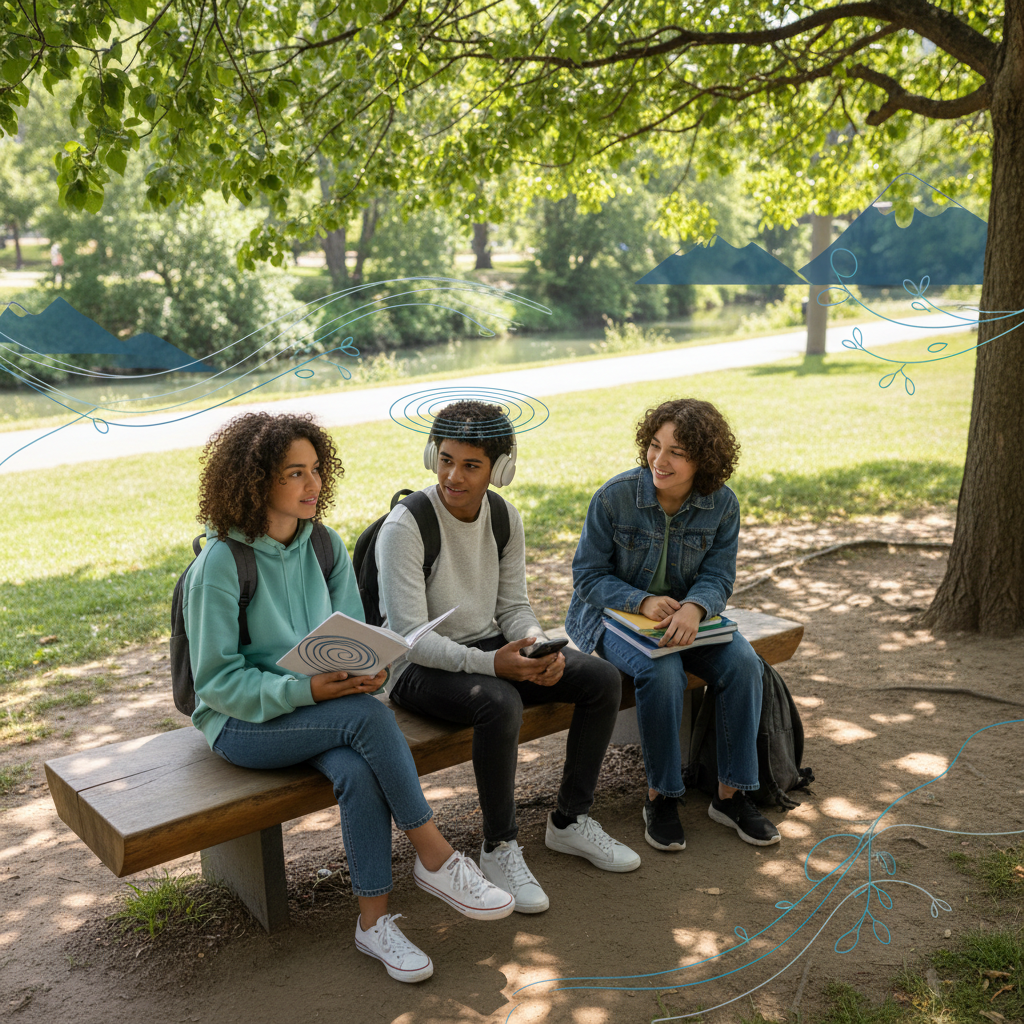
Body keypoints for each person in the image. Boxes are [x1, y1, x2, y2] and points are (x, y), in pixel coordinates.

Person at [182, 411, 514, 984]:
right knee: (364, 721)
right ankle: (434, 854)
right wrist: (309, 689)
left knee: (359, 768)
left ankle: (373, 924)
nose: (313, 485)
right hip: (242, 722)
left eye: (316, 470)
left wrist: (372, 674)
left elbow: (364, 645)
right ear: (257, 481)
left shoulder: (326, 547)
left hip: (323, 710)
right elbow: (215, 682)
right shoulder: (220, 564)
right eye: (294, 473)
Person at [376, 401, 641, 915]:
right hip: (415, 668)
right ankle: (498, 846)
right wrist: (493, 664)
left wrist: (535, 645)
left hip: (484, 650)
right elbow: (409, 637)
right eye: (446, 459)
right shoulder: (405, 527)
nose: (453, 475)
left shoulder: (503, 516)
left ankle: (569, 821)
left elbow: (513, 606)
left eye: (471, 465)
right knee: (498, 702)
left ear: (499, 469)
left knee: (601, 679)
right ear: (432, 453)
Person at [565, 398, 782, 852]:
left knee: (744, 663)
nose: (659, 461)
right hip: (612, 621)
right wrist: (640, 600)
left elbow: (719, 574)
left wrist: (696, 607)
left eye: (677, 452)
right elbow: (587, 576)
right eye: (655, 446)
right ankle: (661, 795)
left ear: (703, 459)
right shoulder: (614, 497)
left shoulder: (721, 505)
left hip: (686, 620)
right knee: (662, 671)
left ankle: (732, 794)